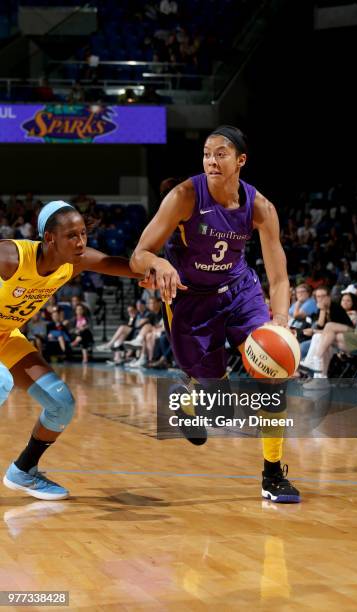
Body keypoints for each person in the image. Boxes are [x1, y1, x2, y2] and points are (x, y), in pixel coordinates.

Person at [130, 125, 300, 503]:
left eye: (220, 153)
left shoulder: (261, 208)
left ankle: (273, 474)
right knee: (220, 409)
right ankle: (188, 401)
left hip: (241, 292)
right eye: (207, 153)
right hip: (191, 301)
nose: (211, 160)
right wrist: (159, 263)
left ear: (240, 160)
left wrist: (282, 323)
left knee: (273, 377)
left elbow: (279, 278)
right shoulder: (184, 196)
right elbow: (138, 255)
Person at [0, 200, 151, 500]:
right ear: (49, 239)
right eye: (72, 235)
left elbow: (118, 265)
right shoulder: (9, 257)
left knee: (61, 405)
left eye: (83, 233)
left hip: (5, 336)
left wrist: (157, 271)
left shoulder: (74, 261)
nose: (81, 242)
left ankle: (23, 471)